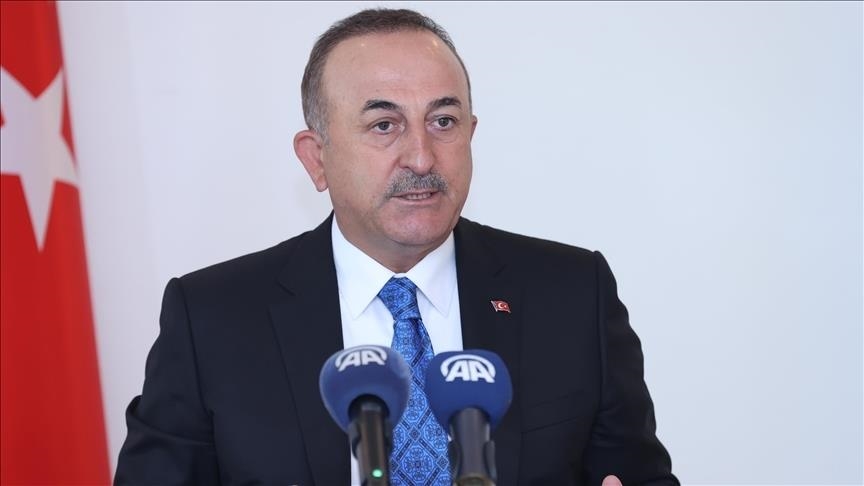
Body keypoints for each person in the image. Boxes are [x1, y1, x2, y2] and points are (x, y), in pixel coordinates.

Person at [115, 8, 678, 486]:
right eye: (384, 125)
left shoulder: (572, 294)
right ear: (316, 158)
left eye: (443, 121)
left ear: (471, 134)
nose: (422, 157)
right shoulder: (213, 319)